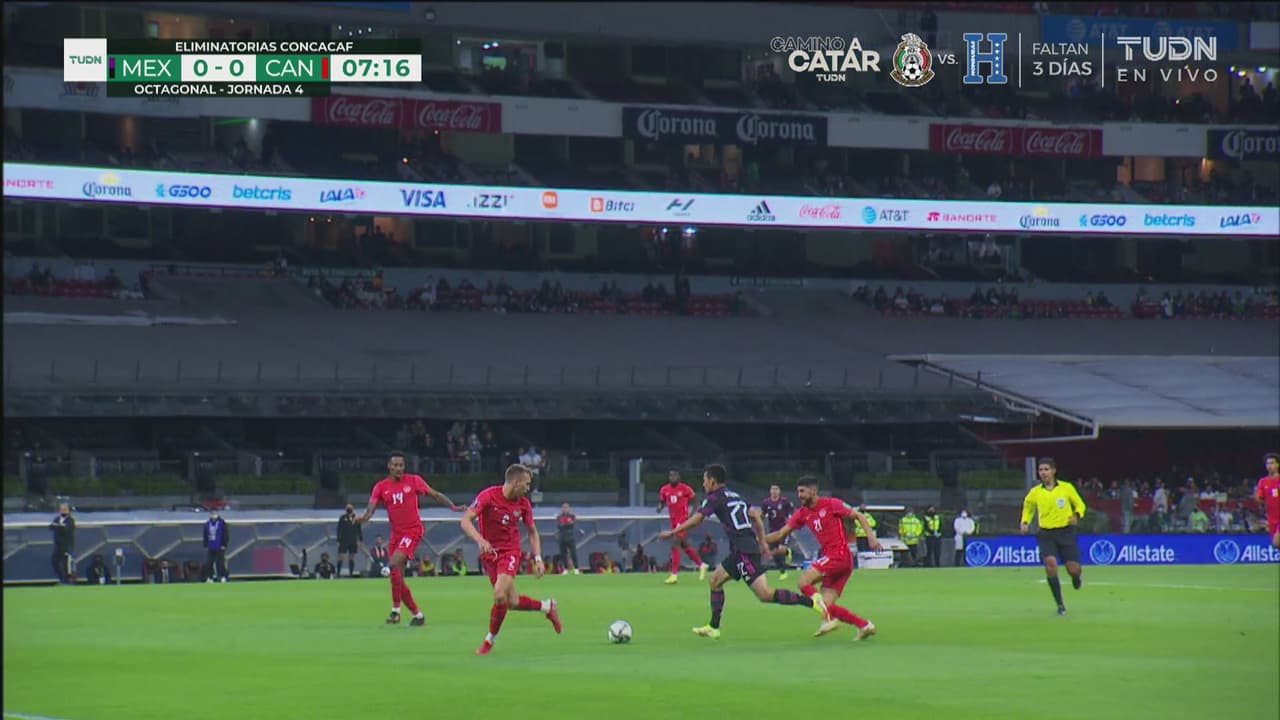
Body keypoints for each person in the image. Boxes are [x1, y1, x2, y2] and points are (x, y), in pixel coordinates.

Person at [659, 464, 820, 640]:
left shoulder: (714, 497)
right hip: (741, 549)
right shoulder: (735, 495)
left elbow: (697, 519)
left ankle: (812, 602)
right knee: (715, 581)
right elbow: (756, 516)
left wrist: (673, 532)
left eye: (705, 480)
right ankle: (713, 627)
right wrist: (763, 542)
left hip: (745, 551)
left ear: (712, 481)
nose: (703, 484)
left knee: (764, 594)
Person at [461, 464, 563, 656]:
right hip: (490, 555)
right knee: (512, 602)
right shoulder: (488, 496)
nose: (528, 488)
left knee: (500, 595)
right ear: (516, 482)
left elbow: (532, 532)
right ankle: (547, 606)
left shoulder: (523, 504)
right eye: (526, 484)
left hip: (510, 552)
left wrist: (538, 558)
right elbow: (465, 521)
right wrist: (481, 540)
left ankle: (489, 641)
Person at [764, 476, 879, 640]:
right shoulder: (802, 513)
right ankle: (864, 625)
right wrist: (759, 539)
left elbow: (860, 516)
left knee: (803, 582)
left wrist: (871, 538)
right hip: (836, 560)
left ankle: (829, 620)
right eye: (798, 492)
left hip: (838, 555)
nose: (799, 495)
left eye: (802, 491)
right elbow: (781, 533)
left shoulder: (832, 504)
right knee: (826, 604)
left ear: (813, 491)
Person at [356, 451, 463, 627]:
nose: (398, 468)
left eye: (401, 465)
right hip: (396, 534)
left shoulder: (414, 481)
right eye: (395, 465)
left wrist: (453, 507)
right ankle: (417, 615)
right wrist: (363, 518)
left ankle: (395, 609)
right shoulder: (381, 487)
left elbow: (435, 494)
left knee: (393, 564)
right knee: (396, 577)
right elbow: (371, 508)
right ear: (389, 467)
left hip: (413, 531)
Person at [1020, 458, 1087, 615]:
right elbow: (1028, 508)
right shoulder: (1035, 492)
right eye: (1041, 470)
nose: (1043, 473)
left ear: (1053, 471)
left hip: (1066, 532)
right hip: (1046, 533)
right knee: (1050, 564)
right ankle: (1060, 605)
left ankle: (1076, 577)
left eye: (1046, 469)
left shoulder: (1066, 488)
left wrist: (1077, 515)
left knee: (1073, 569)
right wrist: (1025, 522)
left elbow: (1080, 504)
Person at [657, 468, 709, 584]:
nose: (672, 478)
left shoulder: (685, 489)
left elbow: (695, 501)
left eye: (675, 475)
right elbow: (662, 501)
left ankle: (674, 574)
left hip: (682, 521)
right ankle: (702, 564)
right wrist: (660, 507)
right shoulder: (664, 489)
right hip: (673, 521)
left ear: (679, 477)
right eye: (671, 476)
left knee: (675, 543)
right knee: (685, 546)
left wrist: (693, 514)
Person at [760, 484, 795, 579]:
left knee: (780, 548)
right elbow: (762, 515)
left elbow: (791, 512)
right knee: (774, 552)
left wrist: (790, 522)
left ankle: (786, 551)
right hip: (772, 530)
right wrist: (759, 522)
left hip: (783, 529)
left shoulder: (784, 501)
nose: (774, 491)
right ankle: (782, 572)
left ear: (779, 491)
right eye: (772, 489)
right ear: (770, 491)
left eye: (776, 489)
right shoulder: (766, 502)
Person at [1256, 453, 1280, 549]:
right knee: (1277, 546)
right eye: (1268, 463)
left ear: (1278, 464)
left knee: (1276, 542)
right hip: (1272, 518)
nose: (1269, 466)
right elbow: (1260, 498)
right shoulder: (1263, 482)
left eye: (1272, 463)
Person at [49, 502, 75, 584]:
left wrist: (59, 526)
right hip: (58, 546)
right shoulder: (57, 519)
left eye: (65, 509)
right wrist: (57, 525)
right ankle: (61, 578)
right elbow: (51, 527)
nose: (63, 511)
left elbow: (66, 530)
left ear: (68, 511)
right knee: (55, 562)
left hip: (66, 546)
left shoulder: (70, 520)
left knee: (66, 563)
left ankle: (68, 580)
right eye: (61, 509)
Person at [202, 509, 230, 583]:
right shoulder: (207, 523)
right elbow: (205, 534)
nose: (213, 515)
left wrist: (224, 544)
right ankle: (210, 577)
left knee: (220, 563)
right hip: (211, 546)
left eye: (215, 513)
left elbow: (226, 534)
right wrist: (205, 544)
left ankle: (223, 576)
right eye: (212, 513)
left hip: (220, 546)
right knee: (209, 562)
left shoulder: (222, 523)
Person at [336, 504, 363, 577]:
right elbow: (339, 529)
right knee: (341, 557)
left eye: (350, 508)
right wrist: (338, 540)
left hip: (353, 540)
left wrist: (360, 540)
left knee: (352, 557)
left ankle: (351, 573)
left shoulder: (356, 518)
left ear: (353, 509)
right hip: (344, 540)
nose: (349, 509)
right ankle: (338, 573)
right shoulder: (342, 517)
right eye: (348, 508)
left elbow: (359, 530)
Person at [556, 502, 581, 575]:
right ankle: (565, 569)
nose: (565, 509)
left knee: (573, 553)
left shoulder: (572, 516)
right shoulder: (559, 517)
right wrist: (565, 524)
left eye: (566, 507)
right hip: (562, 537)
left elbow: (572, 524)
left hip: (570, 537)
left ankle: (576, 569)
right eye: (563, 507)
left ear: (569, 508)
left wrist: (565, 524)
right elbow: (559, 526)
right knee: (563, 554)